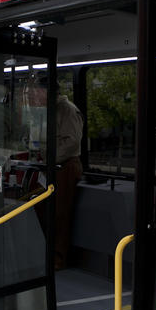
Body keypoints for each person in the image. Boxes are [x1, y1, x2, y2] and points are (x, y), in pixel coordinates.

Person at [54, 93, 84, 269]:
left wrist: (51, 159)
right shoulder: (51, 109)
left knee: (60, 213)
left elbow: (72, 142)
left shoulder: (67, 110)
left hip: (65, 165)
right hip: (55, 164)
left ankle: (58, 258)